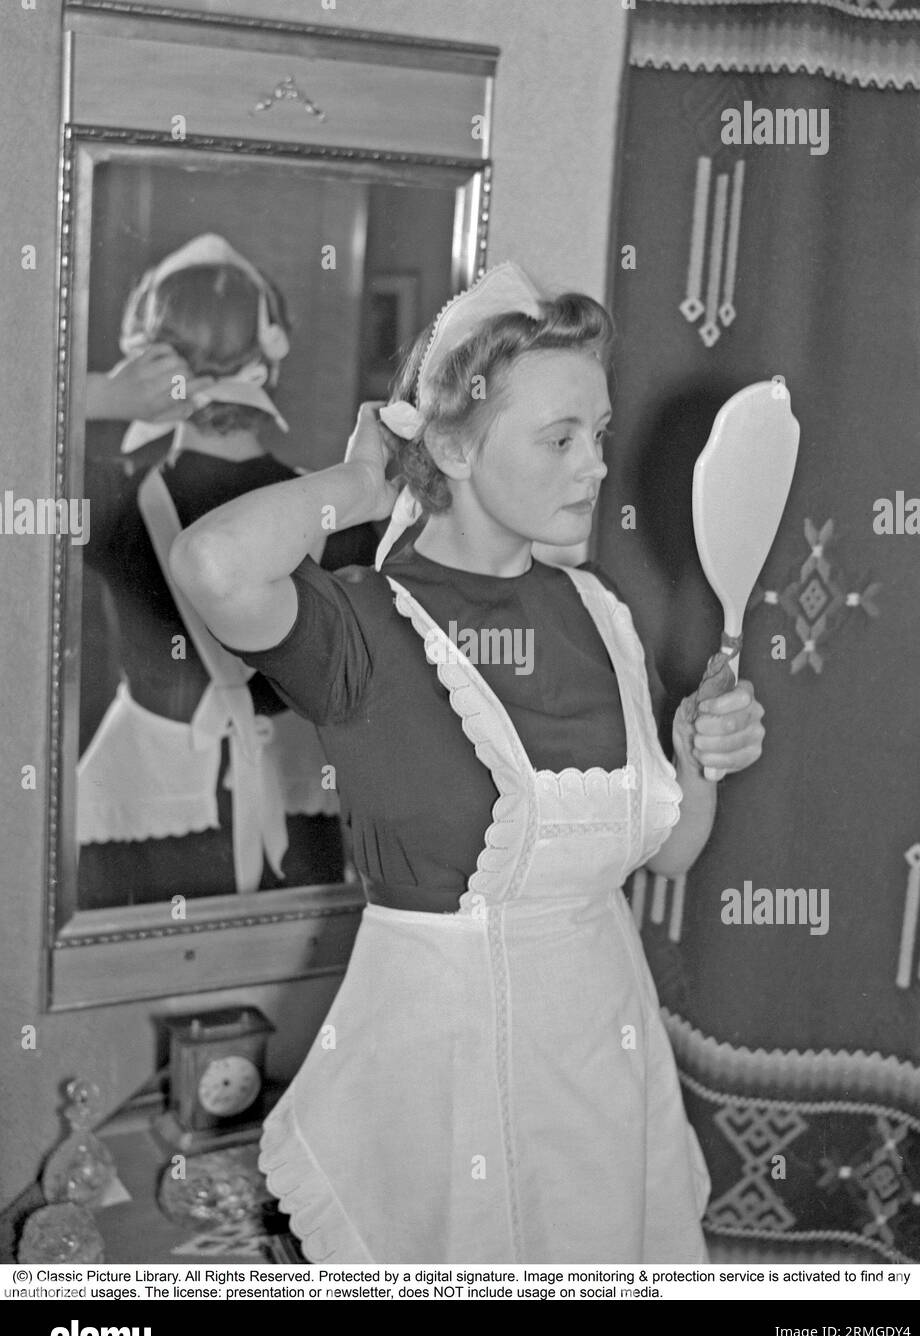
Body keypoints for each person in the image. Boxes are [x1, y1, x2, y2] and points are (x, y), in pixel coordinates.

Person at [172, 262, 766, 1262]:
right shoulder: (361, 627)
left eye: (600, 434)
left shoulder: (598, 614)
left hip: (604, 1067)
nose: (594, 467)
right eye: (560, 437)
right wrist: (363, 482)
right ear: (452, 441)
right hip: (446, 1091)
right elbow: (210, 565)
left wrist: (696, 762)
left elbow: (664, 858)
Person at [79, 233, 375, 908]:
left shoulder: (110, 502)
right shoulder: (341, 508)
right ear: (272, 348)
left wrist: (98, 397)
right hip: (302, 824)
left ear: (143, 348)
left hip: (146, 829)